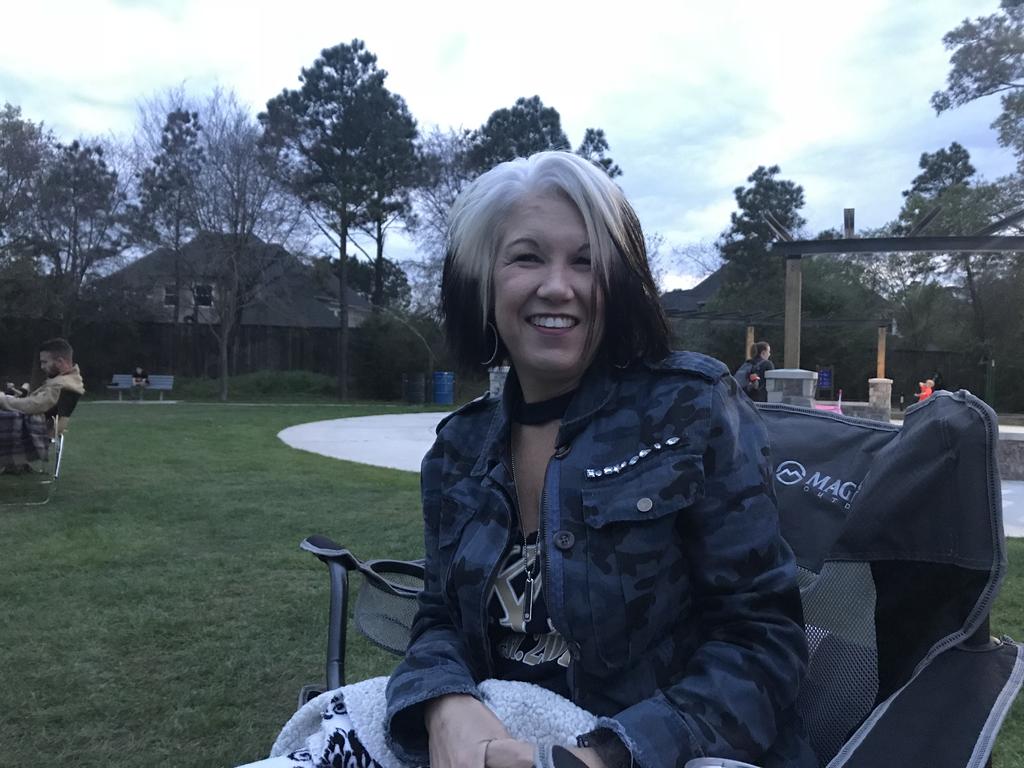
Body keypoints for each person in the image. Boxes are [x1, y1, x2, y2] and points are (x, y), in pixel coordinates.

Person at [244, 152, 812, 768]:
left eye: (586, 262)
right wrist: (444, 703)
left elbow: (764, 641)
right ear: (483, 285)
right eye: (527, 257)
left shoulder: (692, 409)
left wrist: (601, 756)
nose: (558, 286)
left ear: (618, 285)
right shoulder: (458, 448)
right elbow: (439, 617)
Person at [0, 338, 85, 473]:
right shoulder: (69, 381)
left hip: (41, 428)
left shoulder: (61, 384)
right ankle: (15, 464)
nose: (42, 366)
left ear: (60, 362)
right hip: (42, 423)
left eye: (45, 362)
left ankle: (14, 463)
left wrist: (3, 400)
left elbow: (34, 405)